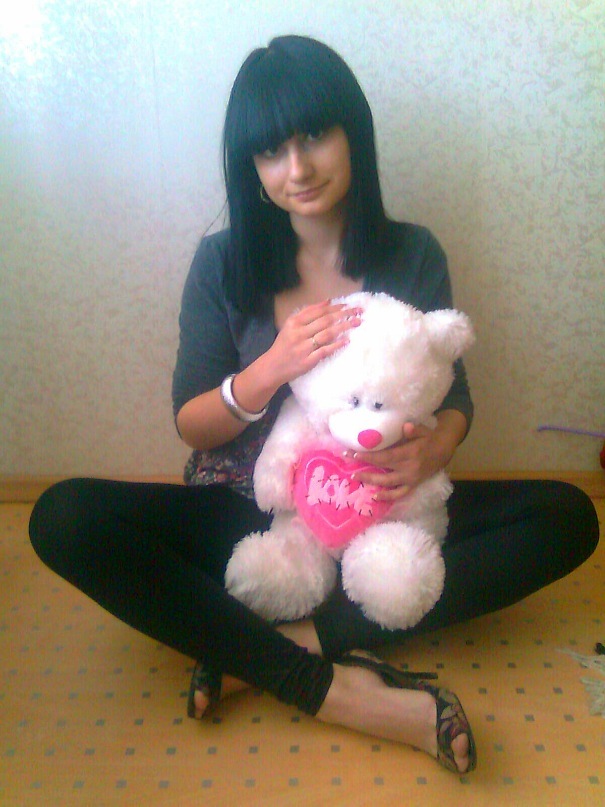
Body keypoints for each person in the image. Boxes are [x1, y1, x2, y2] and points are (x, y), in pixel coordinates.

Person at [29, 35, 599, 776]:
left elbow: (453, 393)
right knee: (64, 517)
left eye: (313, 137)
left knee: (566, 515)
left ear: (351, 133)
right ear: (250, 166)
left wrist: (435, 447)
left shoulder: (412, 253)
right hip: (252, 510)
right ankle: (329, 685)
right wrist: (272, 367)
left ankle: (276, 646)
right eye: (270, 151)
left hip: (383, 511)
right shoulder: (222, 262)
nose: (295, 168)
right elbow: (190, 422)